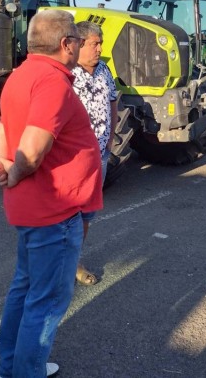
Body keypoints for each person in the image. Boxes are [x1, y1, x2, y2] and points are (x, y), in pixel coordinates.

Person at [0, 9, 102, 378]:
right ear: (66, 44)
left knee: (25, 289)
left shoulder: (20, 76)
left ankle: (12, 367)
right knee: (46, 302)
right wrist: (16, 171)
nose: (82, 46)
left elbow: (2, 136)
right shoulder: (52, 83)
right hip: (55, 212)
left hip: (34, 210)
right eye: (78, 41)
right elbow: (32, 151)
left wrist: (5, 165)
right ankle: (26, 372)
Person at [71, 21, 118, 286]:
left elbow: (113, 101)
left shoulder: (104, 70)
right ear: (78, 44)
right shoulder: (67, 74)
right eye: (95, 43)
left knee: (87, 213)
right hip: (74, 159)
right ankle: (61, 264)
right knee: (68, 213)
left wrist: (111, 138)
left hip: (99, 155)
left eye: (100, 43)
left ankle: (74, 260)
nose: (100, 48)